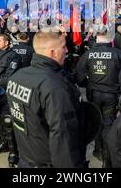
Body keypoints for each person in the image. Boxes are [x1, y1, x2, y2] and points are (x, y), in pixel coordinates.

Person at [6, 31, 85, 168]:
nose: (67, 50)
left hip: (26, 158)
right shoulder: (55, 87)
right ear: (53, 52)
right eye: (64, 46)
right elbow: (62, 136)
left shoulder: (16, 77)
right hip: (48, 162)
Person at [76, 27, 121, 167]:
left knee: (97, 122)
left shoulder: (89, 54)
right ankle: (107, 156)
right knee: (108, 123)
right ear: (110, 38)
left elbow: (79, 77)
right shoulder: (118, 54)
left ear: (96, 38)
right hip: (111, 94)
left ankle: (99, 150)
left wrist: (90, 83)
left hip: (94, 93)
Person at [0, 34, 22, 155]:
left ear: (7, 43)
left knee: (8, 120)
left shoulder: (14, 56)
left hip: (7, 93)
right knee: (0, 118)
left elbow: (9, 77)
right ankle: (3, 143)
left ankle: (14, 150)